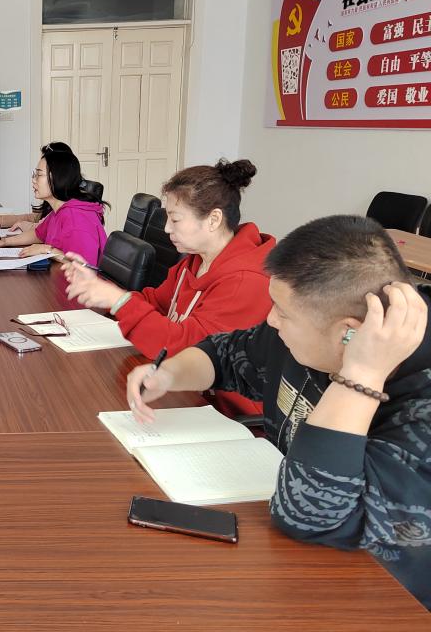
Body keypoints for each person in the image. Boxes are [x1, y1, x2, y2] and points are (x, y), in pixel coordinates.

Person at [125, 215, 430, 609]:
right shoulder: (302, 332)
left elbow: (308, 512)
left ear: (351, 333)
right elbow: (223, 354)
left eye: (283, 313)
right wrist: (169, 374)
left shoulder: (419, 405)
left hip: (376, 596)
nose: (271, 319)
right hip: (289, 562)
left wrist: (361, 374)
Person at [64, 159, 274, 417]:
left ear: (213, 219)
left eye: (175, 220)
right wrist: (100, 290)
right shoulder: (195, 261)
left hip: (226, 414)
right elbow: (155, 301)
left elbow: (186, 350)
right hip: (187, 396)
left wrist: (118, 301)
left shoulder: (245, 282)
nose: (166, 229)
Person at [0, 148, 107, 262]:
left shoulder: (77, 220)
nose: (33, 180)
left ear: (58, 178)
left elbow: (83, 266)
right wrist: (4, 241)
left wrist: (47, 250)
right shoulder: (59, 211)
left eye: (39, 175)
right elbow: (38, 234)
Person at [0, 142, 99, 233]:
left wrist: (24, 227)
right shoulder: (57, 202)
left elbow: (44, 229)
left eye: (40, 173)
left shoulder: (73, 214)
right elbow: (38, 219)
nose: (34, 179)